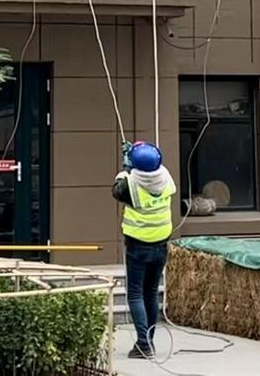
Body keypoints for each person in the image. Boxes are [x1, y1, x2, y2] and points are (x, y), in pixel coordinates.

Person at [113, 141, 176, 359]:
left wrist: (126, 167)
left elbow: (117, 189)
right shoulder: (166, 178)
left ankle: (143, 344)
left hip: (138, 247)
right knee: (150, 293)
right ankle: (149, 341)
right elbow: (151, 167)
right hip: (161, 245)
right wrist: (136, 157)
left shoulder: (130, 186)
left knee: (135, 294)